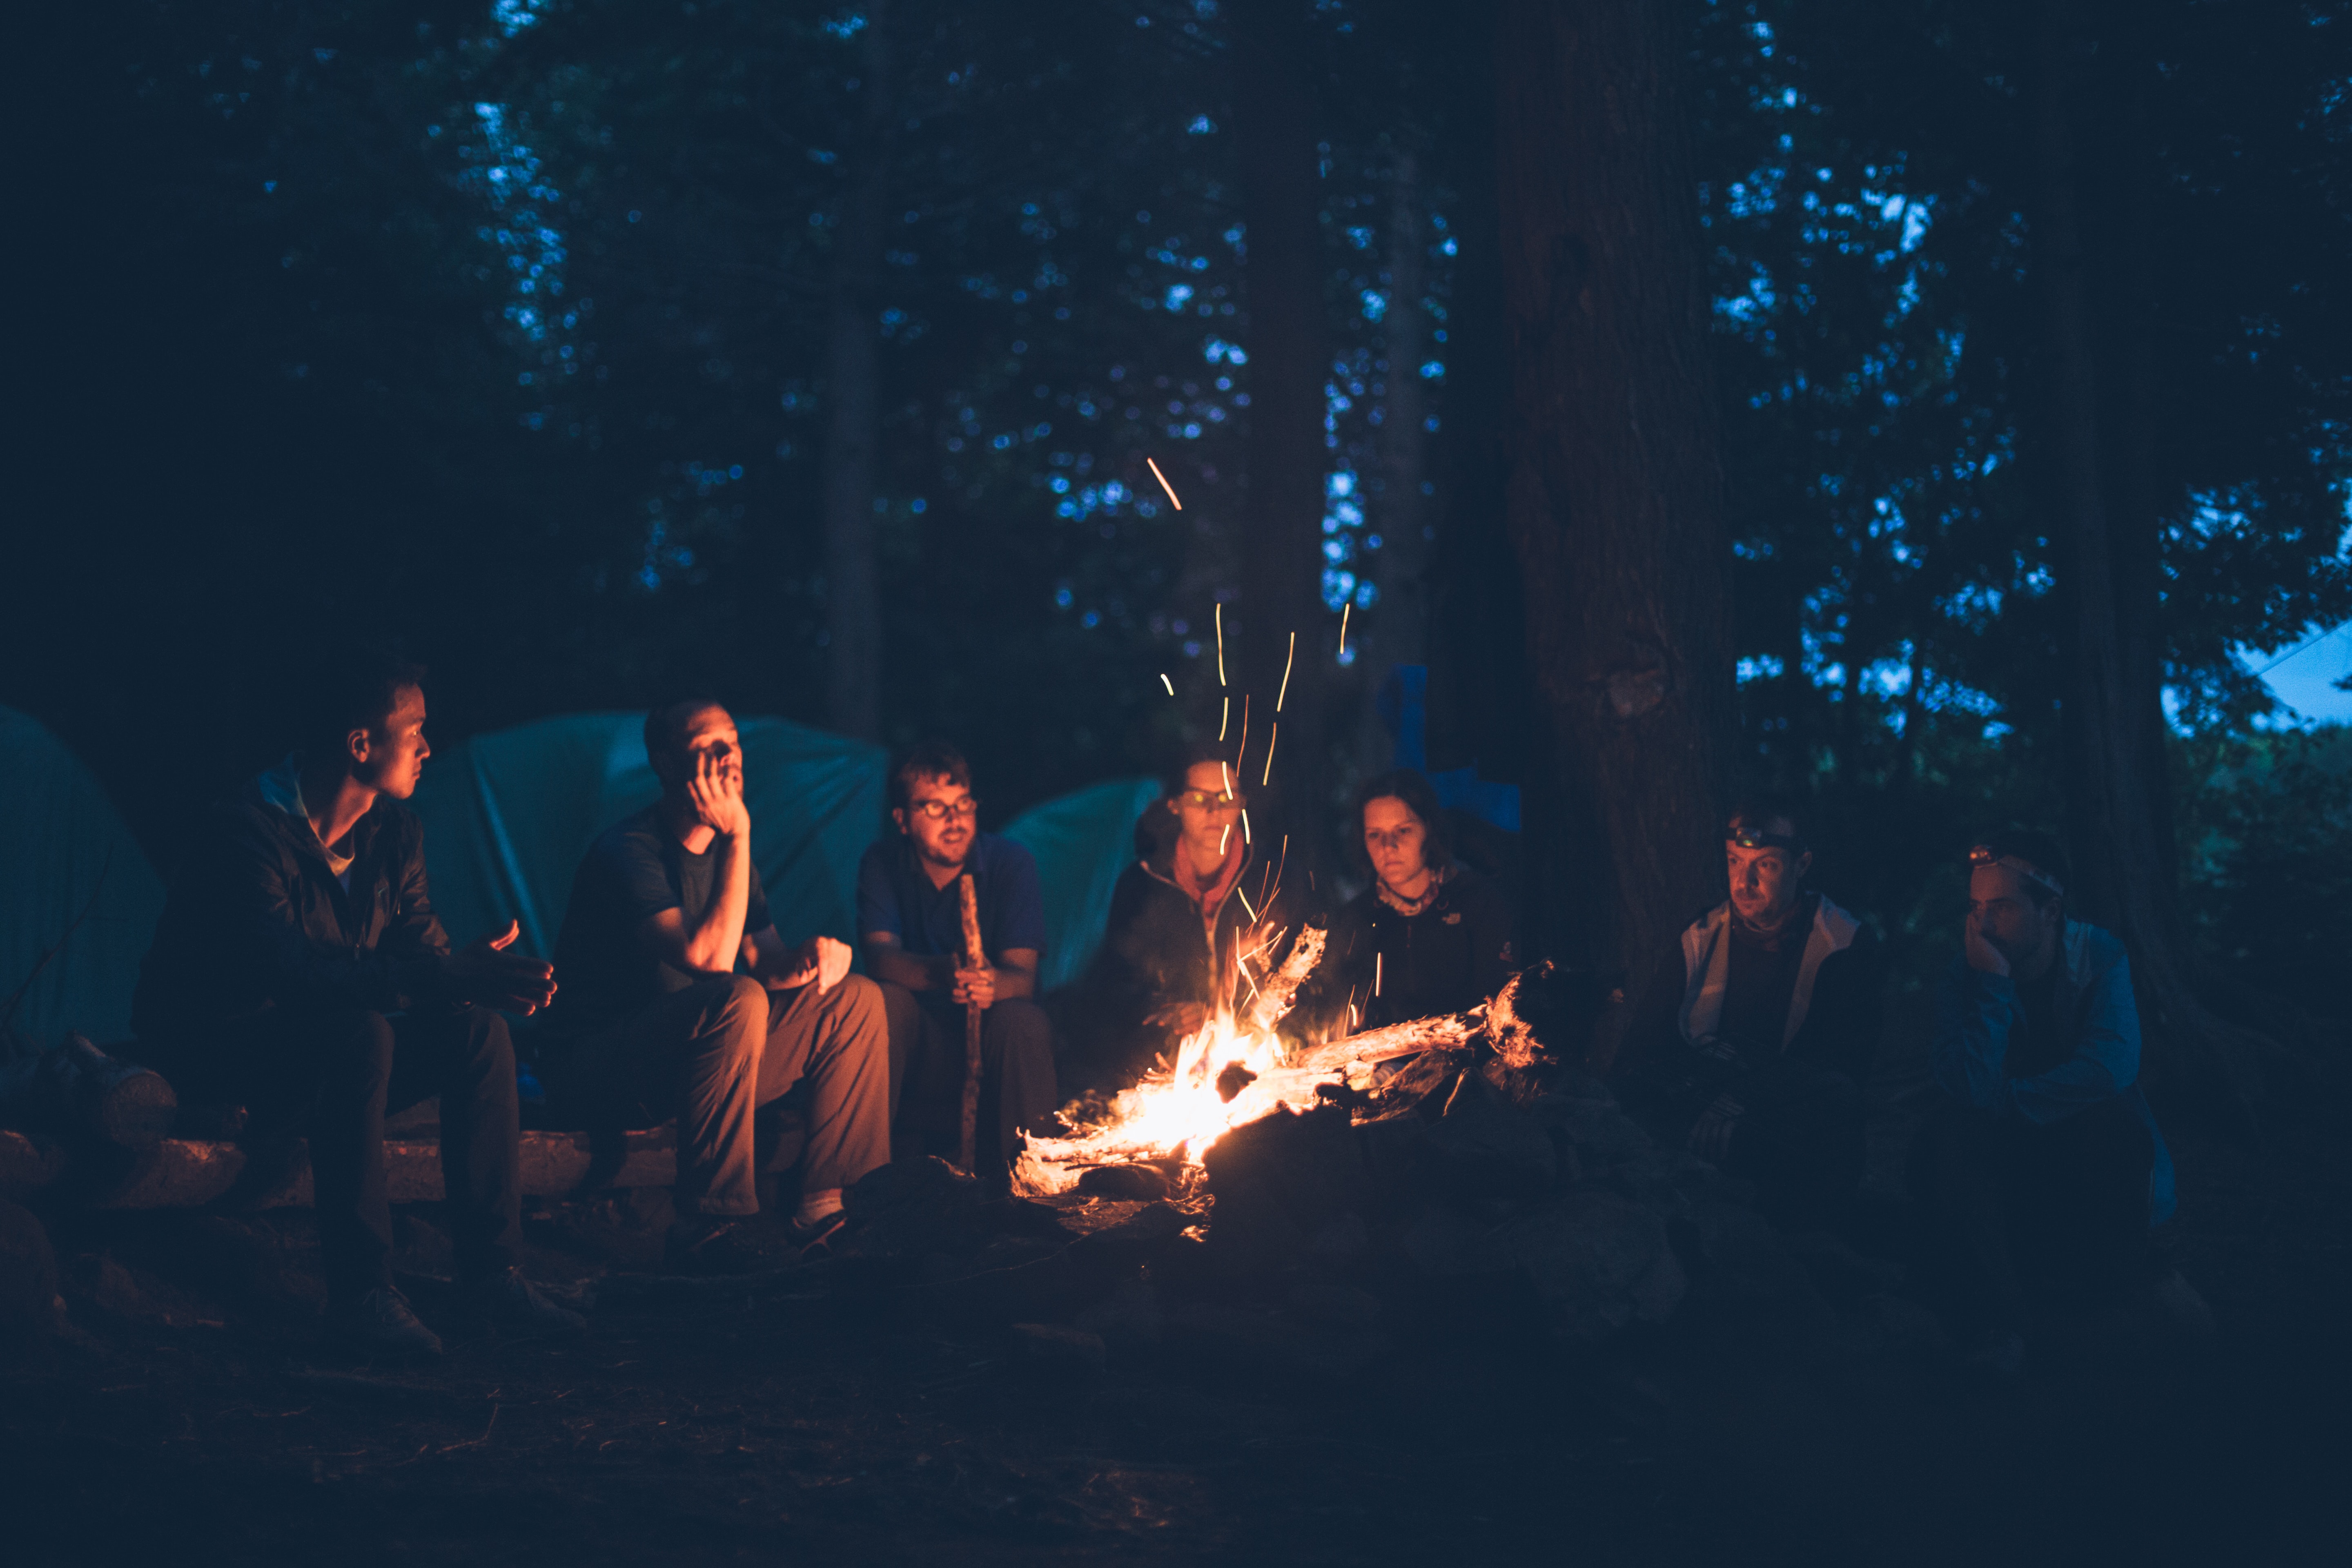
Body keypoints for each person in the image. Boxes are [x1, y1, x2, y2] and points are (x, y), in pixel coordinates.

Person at [132, 648, 583, 1356]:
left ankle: (493, 1275)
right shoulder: (247, 834)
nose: (429, 747)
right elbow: (291, 975)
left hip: (325, 1047)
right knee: (361, 1034)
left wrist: (465, 979)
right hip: (224, 1052)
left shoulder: (391, 831)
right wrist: (439, 976)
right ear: (361, 745)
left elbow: (417, 949)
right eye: (416, 731)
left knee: (476, 1035)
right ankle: (362, 1293)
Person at [539, 699, 890, 1272]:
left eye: (734, 742)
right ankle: (711, 1223)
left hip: (697, 1063)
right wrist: (739, 834)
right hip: (602, 1069)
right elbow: (709, 958)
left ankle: (829, 1207)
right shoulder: (628, 852)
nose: (729, 758)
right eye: (709, 746)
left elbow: (765, 958)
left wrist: (814, 958)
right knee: (737, 997)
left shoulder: (732, 859)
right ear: (666, 763)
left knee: (854, 1000)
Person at [1913, 831, 2176, 1378]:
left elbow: (2111, 1066)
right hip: (2004, 1159)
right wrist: (1990, 988)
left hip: (2075, 1144)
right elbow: (1963, 1091)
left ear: (2050, 910)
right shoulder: (1963, 976)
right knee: (1946, 1134)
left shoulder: (2098, 958)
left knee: (2116, 1119)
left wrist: (2011, 1100)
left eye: (2003, 908)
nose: (1984, 925)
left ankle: (2110, 1302)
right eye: (1976, 909)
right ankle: (1999, 1326)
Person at [1617, 798, 1882, 1230]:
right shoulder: (1702, 938)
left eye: (1767, 866)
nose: (1745, 881)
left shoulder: (1842, 945)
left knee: (1836, 1105)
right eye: (1735, 862)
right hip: (1700, 1113)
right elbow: (1641, 1047)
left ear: (1802, 865)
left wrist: (1743, 1101)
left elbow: (1843, 1064)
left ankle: (1808, 1246)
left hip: (1782, 1118)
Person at [857, 741, 1056, 1180]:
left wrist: (990, 984)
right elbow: (880, 958)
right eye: (935, 808)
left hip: (993, 1039)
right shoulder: (884, 863)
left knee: (1022, 1019)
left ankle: (1033, 1187)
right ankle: (864, 1183)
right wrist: (940, 974)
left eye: (963, 804)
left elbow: (1022, 977)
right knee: (882, 1001)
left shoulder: (1009, 864)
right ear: (903, 820)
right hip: (922, 1045)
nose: (955, 820)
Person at [1084, 743, 1307, 1085]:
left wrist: (1246, 1016)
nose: (1215, 811)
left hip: (1257, 1054)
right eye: (1201, 799)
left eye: (1228, 799)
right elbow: (1114, 985)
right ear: (1175, 805)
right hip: (1169, 1062)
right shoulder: (1141, 885)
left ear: (1243, 805)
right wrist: (1164, 1007)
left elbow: (1305, 977)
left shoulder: (1275, 880)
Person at [1297, 769, 1516, 1038]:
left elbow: (1501, 1004)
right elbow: (1327, 1010)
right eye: (1375, 835)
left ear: (1429, 830)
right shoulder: (1355, 921)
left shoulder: (1477, 903)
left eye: (1403, 830)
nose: (1389, 846)